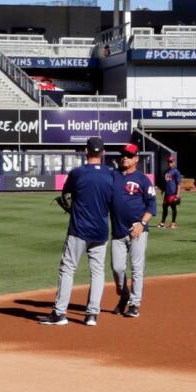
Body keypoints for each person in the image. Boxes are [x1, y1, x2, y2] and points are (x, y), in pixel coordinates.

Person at [40, 136, 116, 327]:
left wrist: (73, 206)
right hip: (101, 229)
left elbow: (66, 196)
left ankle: (60, 313)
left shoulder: (77, 173)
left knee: (68, 268)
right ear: (103, 152)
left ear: (86, 151)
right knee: (97, 271)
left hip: (79, 229)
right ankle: (91, 315)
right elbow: (114, 202)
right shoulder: (111, 174)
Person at [110, 143, 156, 318]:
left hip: (138, 231)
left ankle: (134, 304)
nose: (124, 157)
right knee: (117, 268)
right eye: (123, 154)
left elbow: (152, 206)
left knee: (137, 269)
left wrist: (142, 224)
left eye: (128, 155)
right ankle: (124, 296)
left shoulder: (143, 180)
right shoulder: (113, 176)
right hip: (117, 230)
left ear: (136, 159)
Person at [159, 156, 182, 229]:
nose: (170, 163)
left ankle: (173, 223)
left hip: (173, 193)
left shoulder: (176, 171)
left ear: (174, 162)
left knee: (173, 208)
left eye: (171, 162)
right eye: (169, 161)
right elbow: (166, 182)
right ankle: (162, 223)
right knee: (164, 208)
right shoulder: (166, 171)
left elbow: (178, 184)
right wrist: (163, 189)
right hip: (167, 193)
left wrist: (177, 194)